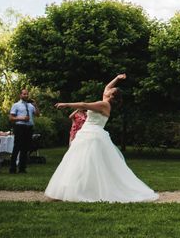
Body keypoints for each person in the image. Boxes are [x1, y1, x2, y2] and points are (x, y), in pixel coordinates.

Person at [45, 73, 158, 202]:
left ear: (111, 96)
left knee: (88, 163)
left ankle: (86, 191)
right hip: (87, 133)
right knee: (77, 162)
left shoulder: (104, 105)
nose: (108, 90)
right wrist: (117, 78)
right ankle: (73, 189)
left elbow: (84, 105)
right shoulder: (106, 101)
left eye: (111, 91)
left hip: (92, 136)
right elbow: (107, 86)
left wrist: (66, 104)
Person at [9, 89, 40, 174]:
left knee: (25, 148)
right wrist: (21, 118)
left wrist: (35, 105)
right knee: (17, 147)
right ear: (20, 95)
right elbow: (11, 118)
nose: (26, 95)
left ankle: (22, 168)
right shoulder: (16, 105)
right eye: (24, 94)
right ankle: (12, 168)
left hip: (29, 128)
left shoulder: (31, 106)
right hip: (20, 127)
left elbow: (37, 114)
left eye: (27, 94)